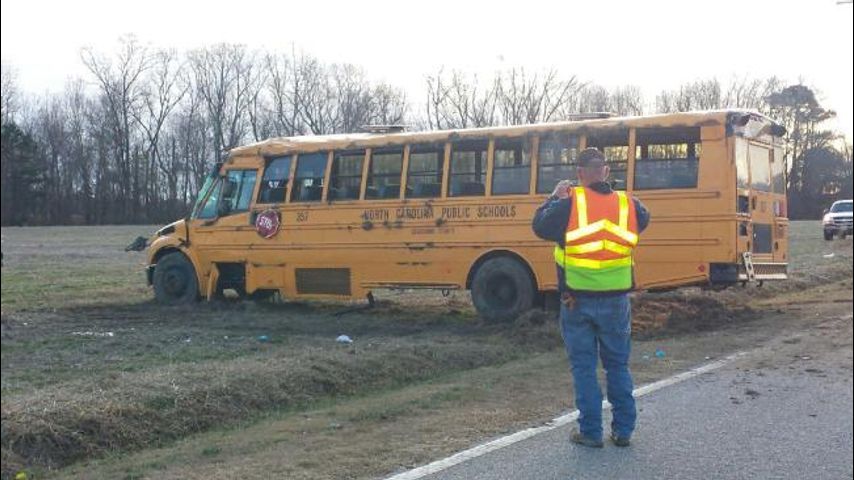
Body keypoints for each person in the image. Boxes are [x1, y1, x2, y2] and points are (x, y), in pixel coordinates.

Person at [532, 147, 650, 448]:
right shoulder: (628, 204)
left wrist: (554, 197)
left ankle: (591, 432)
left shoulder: (570, 203)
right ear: (606, 172)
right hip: (616, 301)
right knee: (618, 366)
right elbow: (644, 220)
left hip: (577, 300)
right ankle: (623, 431)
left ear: (580, 174)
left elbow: (539, 226)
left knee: (584, 367)